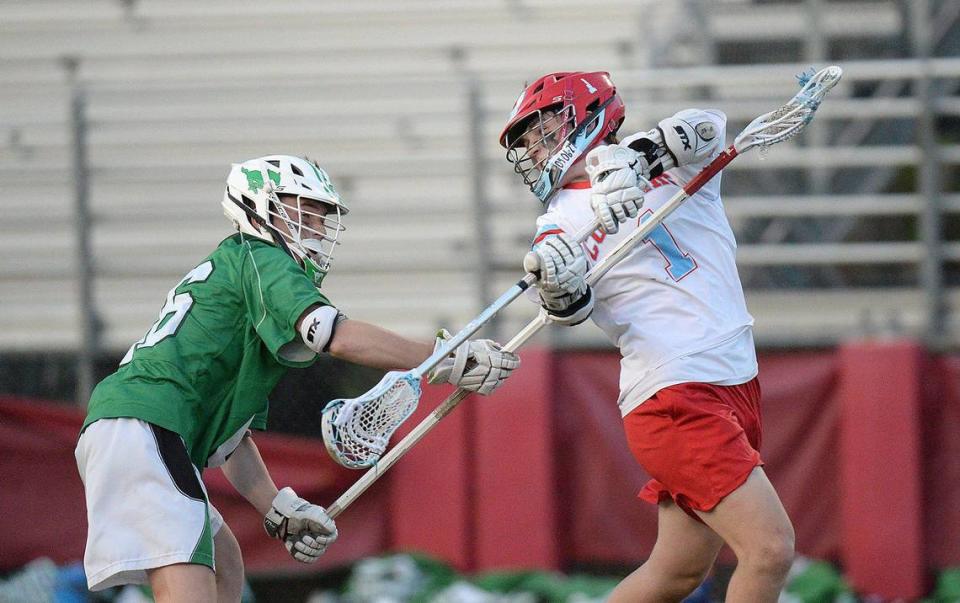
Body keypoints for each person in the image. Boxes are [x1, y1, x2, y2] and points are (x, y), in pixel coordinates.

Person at [74, 155, 520, 602]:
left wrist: (277, 509)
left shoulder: (243, 272)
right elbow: (333, 335)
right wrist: (441, 357)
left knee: (225, 561)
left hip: (138, 427)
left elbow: (232, 440)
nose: (316, 222)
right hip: (146, 425)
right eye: (303, 206)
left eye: (321, 213)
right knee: (188, 572)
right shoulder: (260, 257)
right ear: (258, 205)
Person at [499, 72, 795, 602]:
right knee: (769, 550)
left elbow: (705, 124)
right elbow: (568, 306)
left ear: (586, 116)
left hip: (732, 381)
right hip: (675, 393)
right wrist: (557, 283)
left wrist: (635, 161)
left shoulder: (671, 163)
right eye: (524, 145)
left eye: (539, 132)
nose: (532, 151)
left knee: (676, 573)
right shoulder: (561, 220)